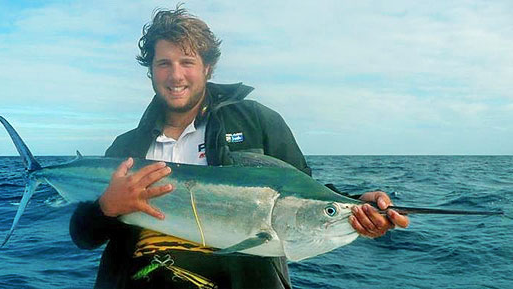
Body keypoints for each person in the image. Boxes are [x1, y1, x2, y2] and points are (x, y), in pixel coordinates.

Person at [70, 6, 409, 289]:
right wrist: (105, 208)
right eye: (164, 63)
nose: (176, 75)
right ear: (151, 71)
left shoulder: (258, 122)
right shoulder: (125, 147)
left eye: (187, 62)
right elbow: (84, 237)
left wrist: (353, 205)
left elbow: (304, 193)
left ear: (207, 67)